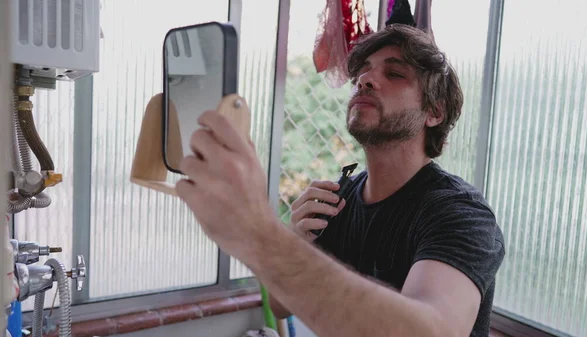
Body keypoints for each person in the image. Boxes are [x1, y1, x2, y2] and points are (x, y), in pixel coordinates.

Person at [176, 24, 505, 337]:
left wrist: (263, 233)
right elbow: (280, 304)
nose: (365, 79)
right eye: (363, 70)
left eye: (394, 73)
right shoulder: (340, 196)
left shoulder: (460, 214)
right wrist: (297, 240)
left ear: (434, 112)